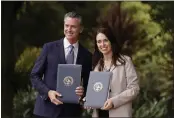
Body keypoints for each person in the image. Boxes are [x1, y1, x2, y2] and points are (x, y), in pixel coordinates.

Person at [30, 11, 92, 118]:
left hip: (72, 113)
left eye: (73, 27)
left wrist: (83, 92)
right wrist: (48, 92)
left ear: (81, 29)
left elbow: (88, 83)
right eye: (66, 25)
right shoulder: (49, 48)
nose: (69, 29)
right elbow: (34, 75)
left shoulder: (86, 55)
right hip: (46, 111)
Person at [89, 27, 139, 117]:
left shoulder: (125, 61)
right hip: (100, 114)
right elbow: (95, 91)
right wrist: (88, 100)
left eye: (105, 40)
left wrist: (114, 101)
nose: (102, 44)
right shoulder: (97, 66)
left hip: (120, 113)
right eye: (99, 41)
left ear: (111, 41)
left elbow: (134, 89)